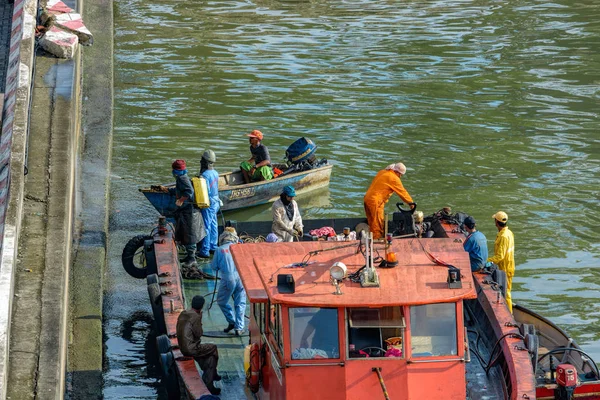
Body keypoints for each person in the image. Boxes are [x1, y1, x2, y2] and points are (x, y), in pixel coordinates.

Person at [163, 160, 206, 267]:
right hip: (186, 211)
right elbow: (180, 190)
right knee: (187, 234)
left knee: (190, 235)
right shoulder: (182, 178)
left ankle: (192, 259)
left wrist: (181, 200)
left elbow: (189, 192)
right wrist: (168, 190)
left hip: (190, 212)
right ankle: (188, 256)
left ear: (176, 170)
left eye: (173, 169)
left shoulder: (182, 179)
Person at [176, 296, 221, 395]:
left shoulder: (183, 313)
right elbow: (199, 333)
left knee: (210, 358)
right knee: (213, 348)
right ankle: (213, 375)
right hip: (191, 348)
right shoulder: (196, 316)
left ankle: (212, 376)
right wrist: (200, 318)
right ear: (201, 306)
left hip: (182, 347)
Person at [364, 162, 414, 239]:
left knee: (372, 223)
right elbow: (403, 193)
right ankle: (375, 244)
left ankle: (370, 241)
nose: (400, 177)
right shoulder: (394, 178)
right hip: (376, 202)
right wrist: (411, 204)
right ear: (398, 172)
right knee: (377, 226)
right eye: (400, 175)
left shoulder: (383, 172)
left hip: (367, 199)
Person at [211, 227, 247, 336]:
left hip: (228, 279)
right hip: (241, 278)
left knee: (222, 301)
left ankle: (231, 321)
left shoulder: (219, 250)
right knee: (240, 303)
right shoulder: (240, 248)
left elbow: (214, 267)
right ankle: (239, 328)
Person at [487, 211, 515, 312]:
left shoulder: (503, 236)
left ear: (496, 222)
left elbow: (500, 256)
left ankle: (509, 313)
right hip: (509, 265)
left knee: (506, 292)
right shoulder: (509, 233)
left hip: (505, 267)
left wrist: (487, 261)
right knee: (507, 290)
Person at [197, 150, 220, 258]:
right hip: (216, 201)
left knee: (206, 225)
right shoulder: (215, 173)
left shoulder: (204, 176)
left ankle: (205, 250)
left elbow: (203, 192)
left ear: (205, 162)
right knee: (213, 224)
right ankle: (213, 246)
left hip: (209, 203)